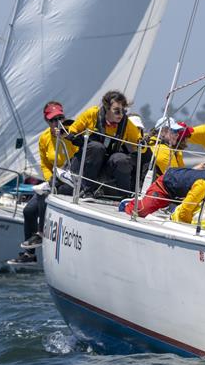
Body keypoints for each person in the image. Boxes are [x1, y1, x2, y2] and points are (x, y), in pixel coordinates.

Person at [10, 102, 76, 265]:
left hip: (72, 179)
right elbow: (45, 163)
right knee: (28, 211)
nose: (57, 123)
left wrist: (65, 135)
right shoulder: (44, 138)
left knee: (42, 194)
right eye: (53, 120)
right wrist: (49, 178)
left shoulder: (72, 132)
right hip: (54, 179)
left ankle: (41, 232)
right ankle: (29, 254)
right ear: (47, 121)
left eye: (60, 118)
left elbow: (79, 155)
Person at [61, 90, 143, 198]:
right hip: (83, 165)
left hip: (105, 169)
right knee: (97, 147)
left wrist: (142, 143)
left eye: (123, 111)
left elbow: (138, 140)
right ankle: (87, 190)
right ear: (106, 108)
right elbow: (73, 129)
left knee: (121, 159)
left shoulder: (125, 123)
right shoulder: (92, 114)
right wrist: (74, 137)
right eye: (117, 111)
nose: (121, 115)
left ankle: (125, 196)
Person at [121, 156, 205, 222]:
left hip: (182, 194)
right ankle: (128, 204)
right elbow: (185, 211)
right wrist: (190, 226)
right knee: (141, 210)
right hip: (166, 187)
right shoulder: (203, 185)